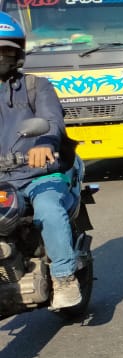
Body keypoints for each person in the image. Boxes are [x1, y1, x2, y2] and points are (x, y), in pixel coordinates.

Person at [0, 14, 82, 309]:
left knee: (47, 208)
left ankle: (63, 278)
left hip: (38, 173)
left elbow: (52, 121)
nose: (0, 57)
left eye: (6, 51)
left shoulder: (37, 86)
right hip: (2, 181)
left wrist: (44, 144)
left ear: (18, 53)